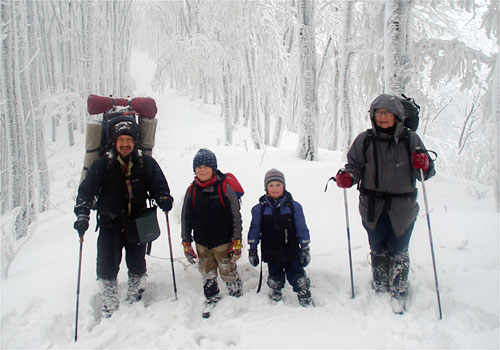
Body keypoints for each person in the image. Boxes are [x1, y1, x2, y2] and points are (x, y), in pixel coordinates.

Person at [335, 93, 435, 313]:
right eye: (379, 113)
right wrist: (348, 178)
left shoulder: (410, 140)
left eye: (387, 113)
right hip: (372, 205)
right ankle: (380, 284)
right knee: (377, 246)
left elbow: (425, 173)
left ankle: (399, 289)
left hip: (403, 207)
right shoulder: (365, 139)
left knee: (399, 248)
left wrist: (424, 164)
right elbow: (355, 166)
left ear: (397, 116)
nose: (382, 118)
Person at [73, 119, 173, 318]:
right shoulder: (103, 165)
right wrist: (82, 215)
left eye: (129, 139)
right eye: (121, 139)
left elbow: (159, 185)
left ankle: (135, 296)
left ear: (135, 142)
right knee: (106, 264)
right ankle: (109, 301)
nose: (125, 144)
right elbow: (86, 192)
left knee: (137, 262)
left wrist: (163, 198)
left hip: (137, 223)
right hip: (110, 223)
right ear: (114, 142)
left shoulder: (145, 163)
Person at [181, 149, 243, 313]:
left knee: (227, 268)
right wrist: (186, 242)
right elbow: (185, 218)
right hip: (202, 242)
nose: (202, 170)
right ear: (194, 169)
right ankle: (211, 295)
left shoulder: (225, 188)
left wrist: (237, 240)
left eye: (206, 166)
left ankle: (236, 294)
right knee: (207, 270)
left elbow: (236, 216)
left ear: (214, 168)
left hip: (223, 242)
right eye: (198, 166)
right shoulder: (192, 191)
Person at [247, 168, 312, 307]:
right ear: (266, 187)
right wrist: (252, 249)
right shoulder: (259, 209)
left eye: (278, 185)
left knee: (297, 273)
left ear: (284, 186)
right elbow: (254, 230)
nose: (275, 189)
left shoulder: (294, 207)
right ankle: (276, 290)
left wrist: (305, 247)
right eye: (271, 185)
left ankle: (303, 292)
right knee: (275, 273)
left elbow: (302, 228)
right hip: (271, 250)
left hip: (291, 249)